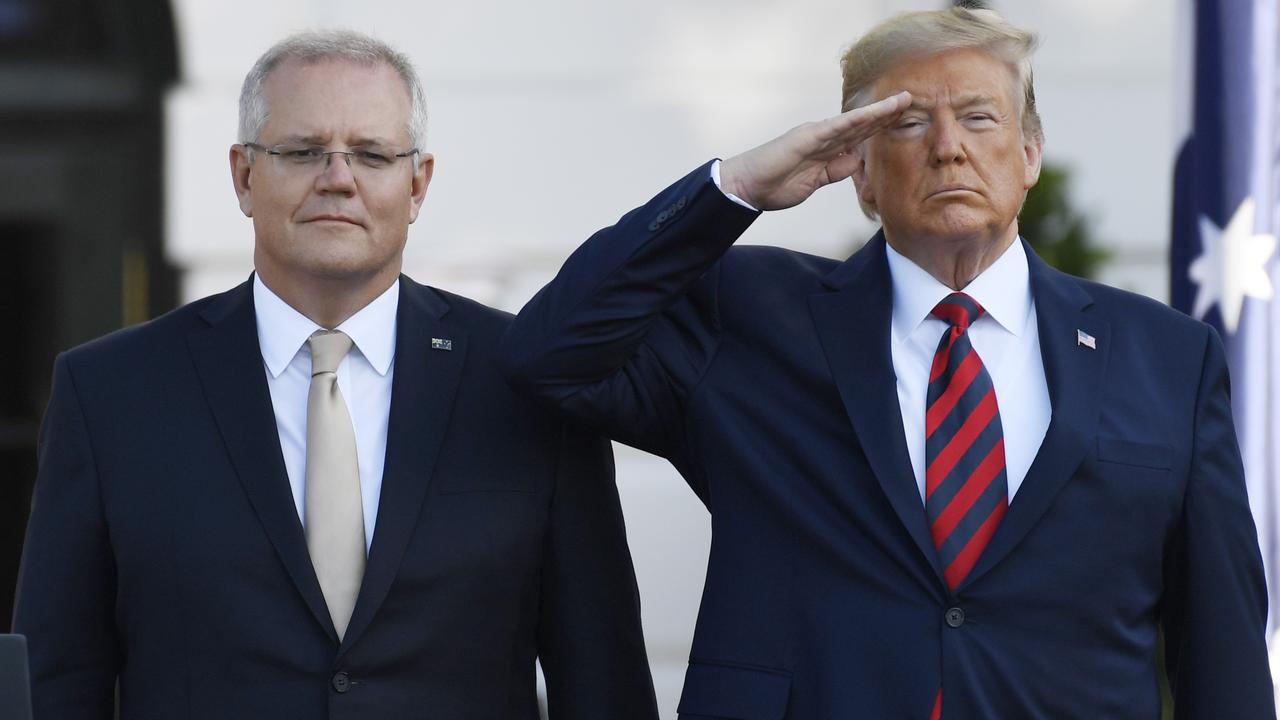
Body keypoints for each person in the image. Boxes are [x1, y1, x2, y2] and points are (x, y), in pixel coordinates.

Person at [502, 7, 1275, 718]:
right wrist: (733, 189)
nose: (949, 147)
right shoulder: (746, 316)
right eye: (908, 126)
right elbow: (551, 355)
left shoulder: (1168, 356)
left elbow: (1221, 648)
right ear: (860, 173)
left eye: (979, 117)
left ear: (1030, 153)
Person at [14, 30, 657, 720]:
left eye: (372, 154)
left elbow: (602, 679)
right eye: (302, 151)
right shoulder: (111, 393)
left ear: (417, 184)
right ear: (243, 176)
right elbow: (57, 682)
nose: (339, 177)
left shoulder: (525, 381)